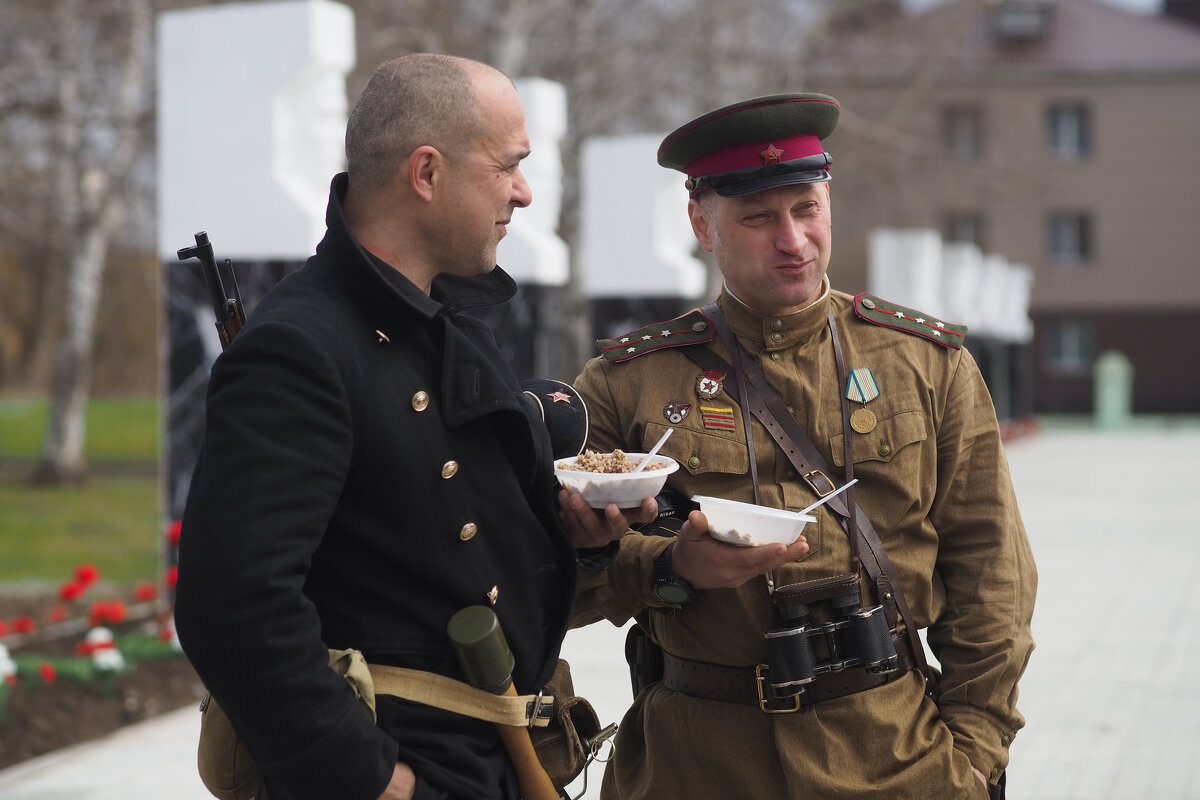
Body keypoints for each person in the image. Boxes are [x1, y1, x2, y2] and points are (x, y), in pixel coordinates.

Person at [174, 54, 632, 800]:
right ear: (426, 173)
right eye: (508, 166)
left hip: (493, 754)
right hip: (407, 761)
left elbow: (429, 536)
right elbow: (233, 607)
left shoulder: (442, 317)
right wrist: (379, 783)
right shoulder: (302, 346)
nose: (522, 191)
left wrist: (570, 533)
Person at [567, 93, 1037, 799]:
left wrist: (972, 751)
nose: (793, 240)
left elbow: (992, 575)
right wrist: (672, 567)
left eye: (806, 209)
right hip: (696, 765)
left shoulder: (927, 363)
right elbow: (559, 580)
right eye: (759, 218)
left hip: (896, 759)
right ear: (703, 223)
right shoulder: (627, 382)